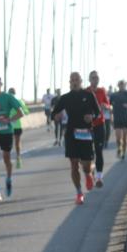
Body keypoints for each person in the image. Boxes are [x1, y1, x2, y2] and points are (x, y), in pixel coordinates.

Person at [51, 72, 100, 205]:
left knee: (86, 165)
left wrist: (92, 117)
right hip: (71, 134)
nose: (74, 82)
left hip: (85, 133)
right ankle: (79, 193)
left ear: (81, 81)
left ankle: (89, 173)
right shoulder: (65, 98)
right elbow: (54, 113)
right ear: (69, 82)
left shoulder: (89, 95)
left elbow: (98, 112)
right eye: (72, 80)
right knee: (73, 165)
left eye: (76, 79)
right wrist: (56, 116)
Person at [86, 71, 112, 188]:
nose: (95, 79)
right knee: (88, 153)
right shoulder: (85, 92)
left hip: (100, 124)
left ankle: (99, 177)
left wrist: (106, 106)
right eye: (93, 78)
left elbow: (109, 106)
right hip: (87, 126)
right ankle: (90, 172)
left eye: (97, 77)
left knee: (98, 151)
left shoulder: (102, 91)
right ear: (89, 79)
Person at [109, 80, 127, 158]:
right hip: (117, 117)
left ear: (125, 85)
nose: (121, 86)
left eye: (123, 84)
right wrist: (111, 113)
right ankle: (119, 148)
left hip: (125, 118)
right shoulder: (114, 95)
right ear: (118, 85)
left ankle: (124, 152)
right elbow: (109, 105)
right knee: (118, 138)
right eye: (120, 84)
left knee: (124, 138)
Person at [7, 87, 30, 169]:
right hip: (17, 125)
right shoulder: (20, 101)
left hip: (8, 126)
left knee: (8, 143)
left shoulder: (6, 101)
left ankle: (8, 159)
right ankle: (18, 157)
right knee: (17, 143)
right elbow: (26, 112)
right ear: (15, 93)